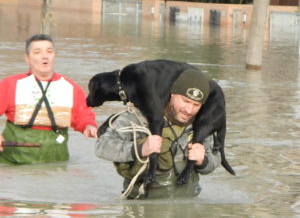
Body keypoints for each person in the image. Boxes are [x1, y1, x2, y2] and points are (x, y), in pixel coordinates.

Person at [95, 69, 221, 199]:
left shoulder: (202, 123)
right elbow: (101, 147)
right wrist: (140, 149)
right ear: (172, 94)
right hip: (142, 206)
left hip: (188, 204)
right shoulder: (140, 117)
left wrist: (203, 161)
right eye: (185, 101)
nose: (189, 110)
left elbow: (216, 159)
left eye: (196, 104)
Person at [0, 34, 97, 164]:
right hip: (12, 160)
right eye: (37, 52)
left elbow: (83, 115)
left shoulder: (70, 87)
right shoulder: (11, 84)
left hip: (56, 158)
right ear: (27, 59)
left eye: (49, 51)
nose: (45, 56)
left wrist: (88, 126)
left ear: (54, 56)